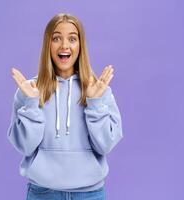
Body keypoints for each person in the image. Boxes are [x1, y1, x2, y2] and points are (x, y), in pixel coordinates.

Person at [7, 13, 123, 200]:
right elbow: (25, 146)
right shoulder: (29, 91)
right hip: (43, 193)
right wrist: (31, 103)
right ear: (48, 45)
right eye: (56, 38)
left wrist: (95, 103)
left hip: (90, 194)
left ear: (80, 45)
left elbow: (106, 145)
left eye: (72, 38)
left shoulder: (99, 91)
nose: (64, 46)